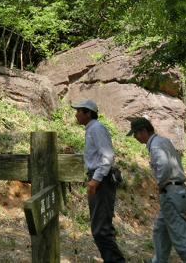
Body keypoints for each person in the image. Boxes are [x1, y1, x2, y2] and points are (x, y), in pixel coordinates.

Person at [127, 118, 186, 263]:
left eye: (135, 133)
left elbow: (164, 164)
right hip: (178, 192)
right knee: (160, 230)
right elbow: (175, 161)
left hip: (171, 194)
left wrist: (161, 183)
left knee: (183, 241)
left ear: (143, 131)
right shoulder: (163, 141)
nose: (134, 137)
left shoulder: (155, 146)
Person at [67, 99, 127, 263]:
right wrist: (76, 155)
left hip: (102, 182)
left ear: (88, 113)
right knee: (103, 227)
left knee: (100, 229)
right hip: (100, 180)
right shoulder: (91, 129)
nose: (76, 114)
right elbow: (94, 157)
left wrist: (96, 179)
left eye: (79, 111)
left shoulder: (97, 128)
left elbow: (107, 157)